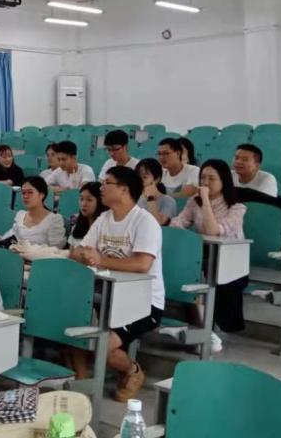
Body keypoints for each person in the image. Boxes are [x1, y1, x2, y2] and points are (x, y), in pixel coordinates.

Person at [70, 165, 164, 402]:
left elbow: (142, 263)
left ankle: (133, 371)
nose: (101, 187)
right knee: (70, 329)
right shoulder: (104, 219)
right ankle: (82, 384)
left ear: (124, 189)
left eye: (107, 183)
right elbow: (78, 251)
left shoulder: (145, 222)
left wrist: (100, 259)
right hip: (106, 296)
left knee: (103, 346)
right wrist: (85, 255)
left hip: (143, 303)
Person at [170, 159, 248, 347]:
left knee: (198, 274)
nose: (205, 183)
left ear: (224, 181)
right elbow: (178, 223)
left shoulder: (237, 207)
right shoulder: (193, 202)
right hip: (205, 255)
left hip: (231, 261)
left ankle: (206, 331)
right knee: (183, 271)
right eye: (202, 178)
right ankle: (199, 328)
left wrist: (205, 199)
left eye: (211, 179)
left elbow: (213, 231)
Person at [13, 177, 66, 247]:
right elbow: (15, 242)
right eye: (23, 193)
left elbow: (56, 250)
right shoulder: (20, 216)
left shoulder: (54, 220)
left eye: (30, 192)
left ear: (41, 195)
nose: (25, 196)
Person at [136, 158, 178, 225]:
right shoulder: (134, 200)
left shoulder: (169, 202)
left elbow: (157, 224)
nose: (140, 181)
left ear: (157, 179)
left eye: (144, 177)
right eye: (138, 177)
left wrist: (150, 198)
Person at [67, 181, 107, 248]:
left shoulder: (106, 228)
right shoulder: (76, 226)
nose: (83, 204)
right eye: (81, 199)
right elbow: (71, 251)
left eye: (89, 200)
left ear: (100, 202)